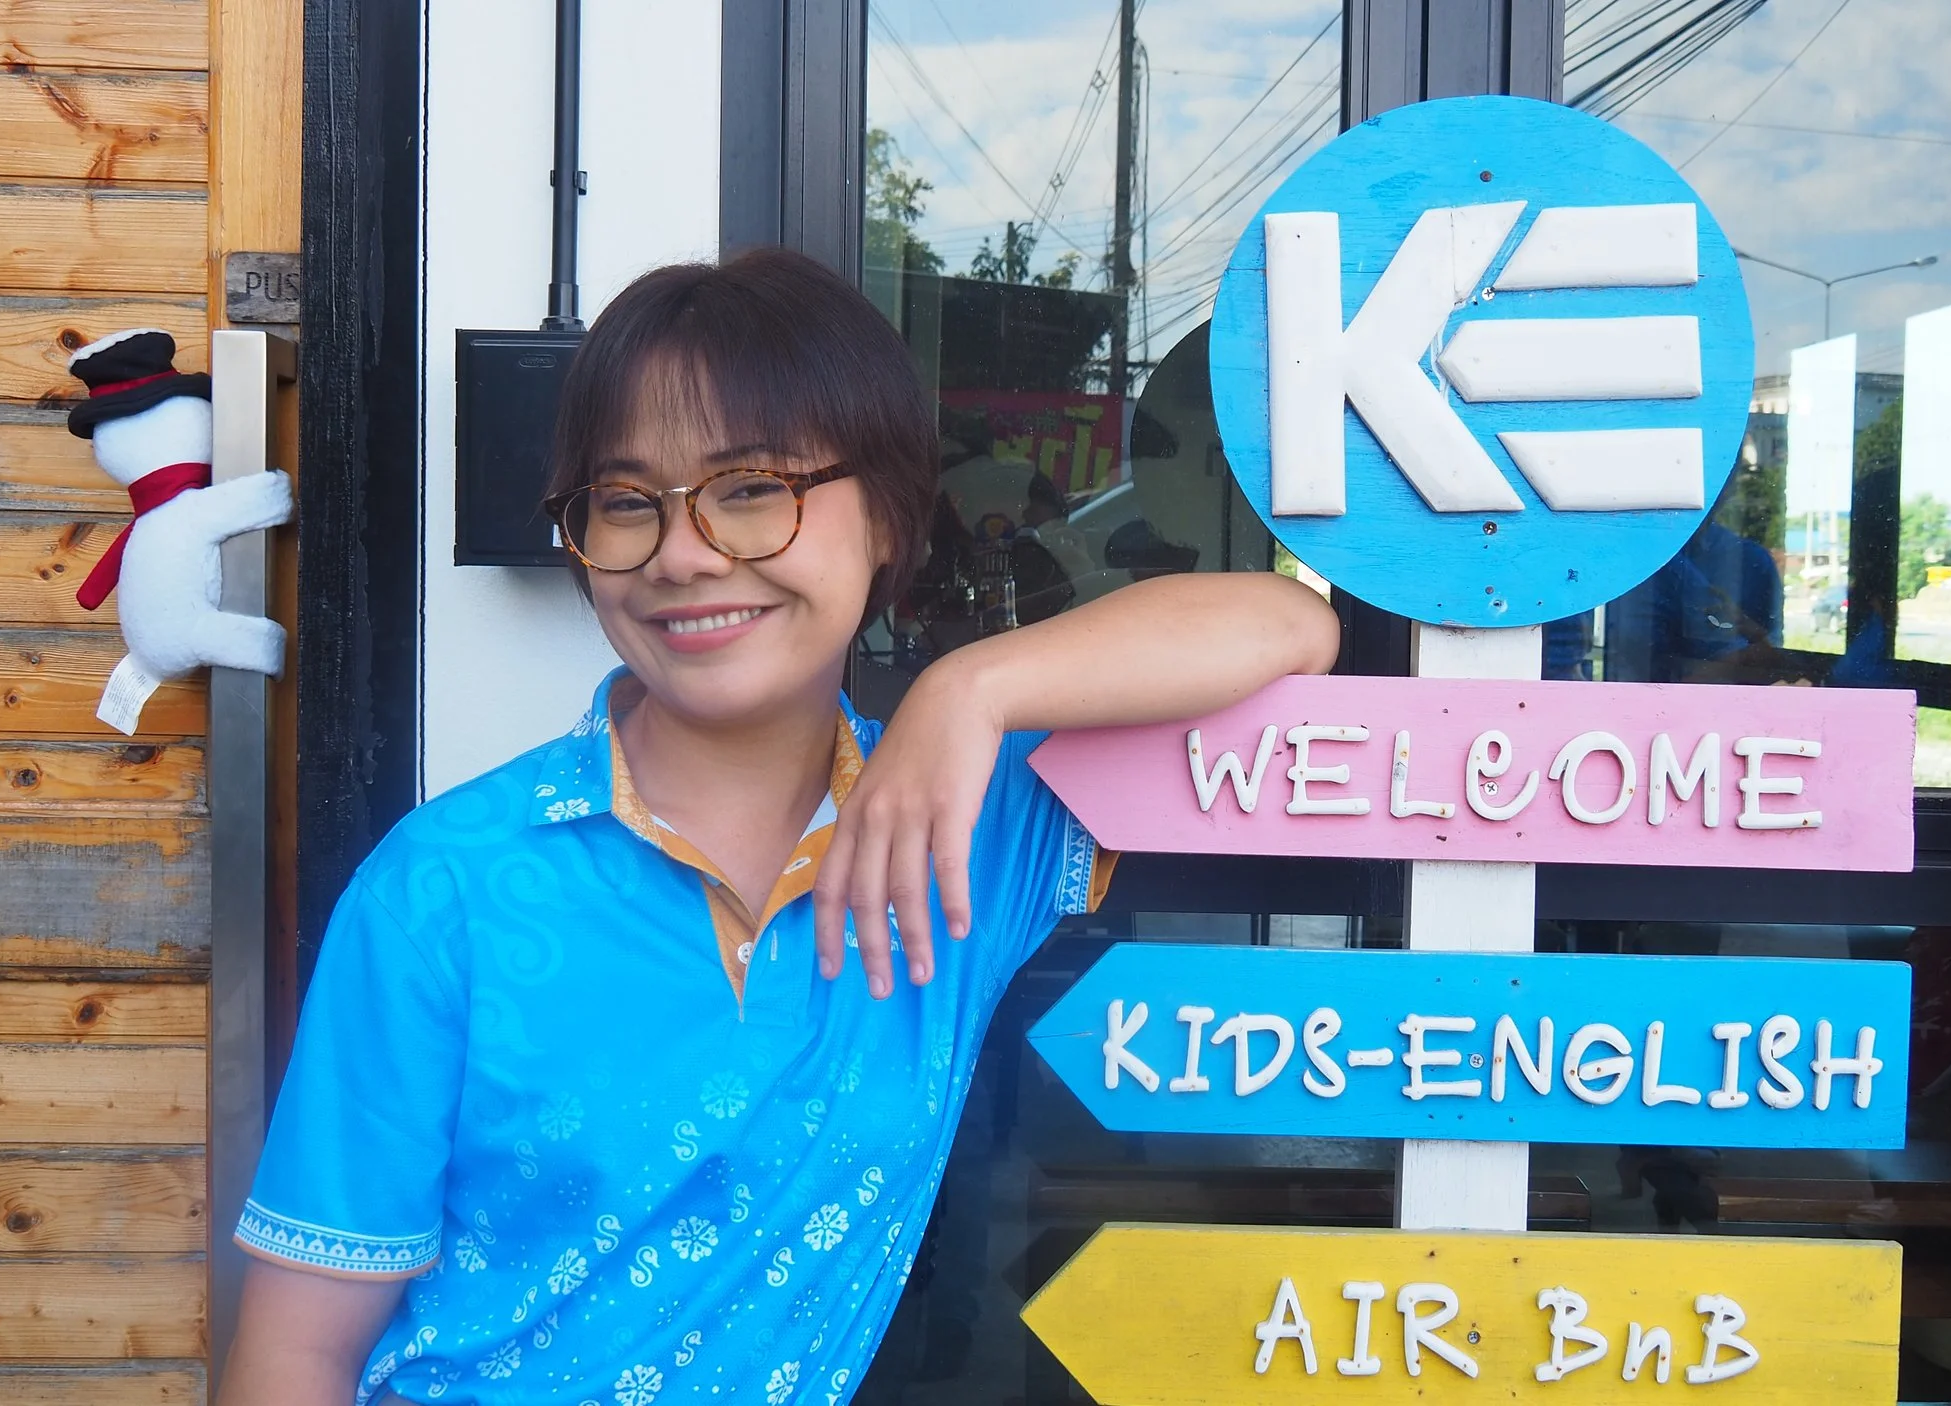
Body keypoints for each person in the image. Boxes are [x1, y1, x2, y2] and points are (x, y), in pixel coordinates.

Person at [217, 249, 1340, 1405]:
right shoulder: (441, 889)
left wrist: (971, 689)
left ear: (890, 517)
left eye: (752, 487)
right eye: (624, 502)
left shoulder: (967, 826)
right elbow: (298, 1350)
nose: (685, 552)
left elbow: (1285, 625)